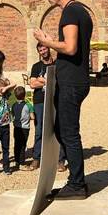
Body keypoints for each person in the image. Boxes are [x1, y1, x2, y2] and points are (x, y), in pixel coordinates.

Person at [34, 0, 93, 197]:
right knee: (62, 130)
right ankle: (75, 180)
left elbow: (70, 48)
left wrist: (46, 41)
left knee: (69, 133)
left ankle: (77, 185)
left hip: (71, 83)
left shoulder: (70, 12)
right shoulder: (81, 11)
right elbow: (71, 51)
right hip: (74, 80)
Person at [29, 42, 67, 171]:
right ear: (38, 52)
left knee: (58, 129)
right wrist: (48, 81)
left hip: (56, 100)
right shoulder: (36, 66)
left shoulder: (57, 64)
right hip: (40, 100)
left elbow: (60, 82)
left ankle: (60, 160)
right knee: (39, 130)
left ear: (49, 49)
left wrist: (41, 80)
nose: (43, 51)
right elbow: (32, 84)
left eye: (45, 49)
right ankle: (36, 158)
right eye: (41, 50)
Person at [10, 86, 34, 170]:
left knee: (17, 144)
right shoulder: (28, 105)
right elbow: (32, 117)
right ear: (24, 95)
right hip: (24, 128)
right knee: (23, 145)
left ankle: (17, 160)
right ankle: (22, 163)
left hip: (16, 127)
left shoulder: (13, 105)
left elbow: (13, 115)